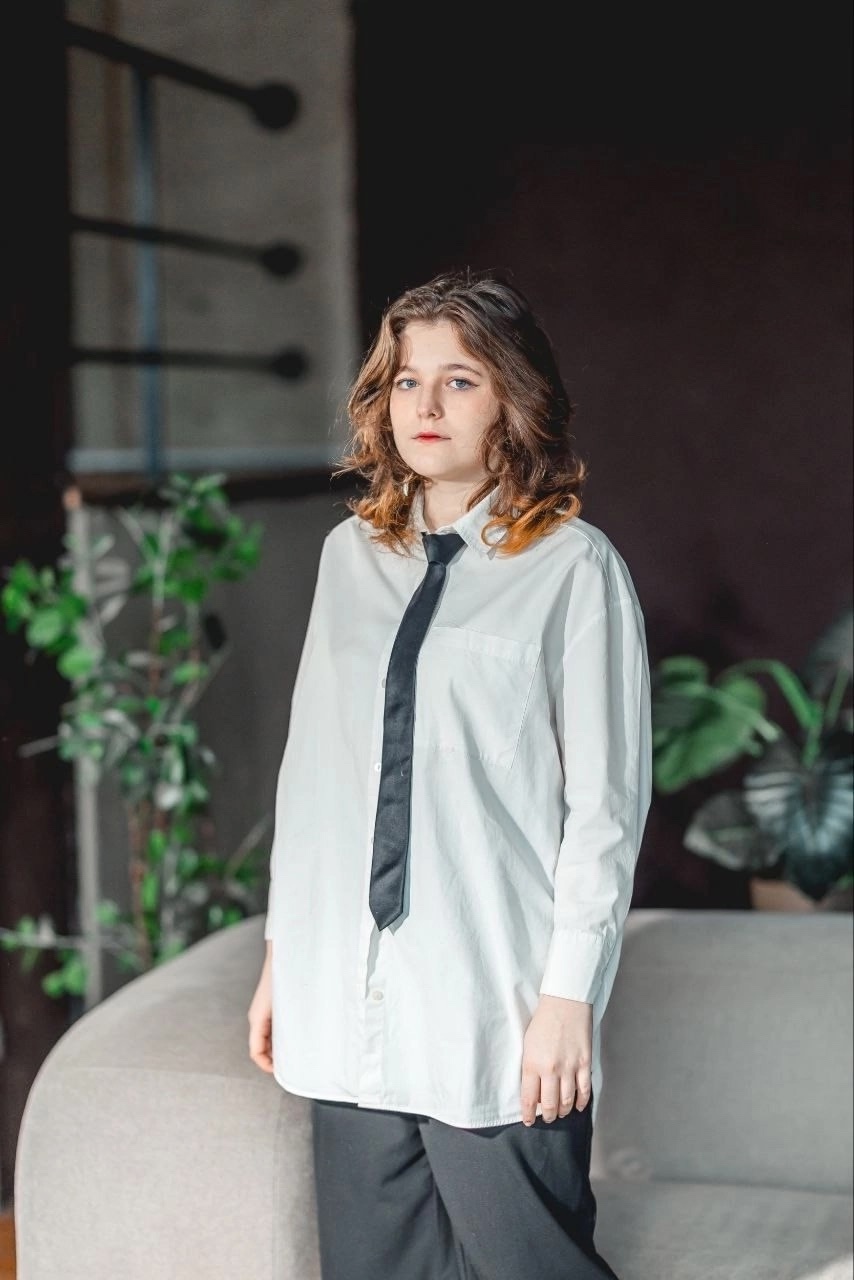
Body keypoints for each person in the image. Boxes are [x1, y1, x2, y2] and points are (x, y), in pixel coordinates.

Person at [248, 269, 652, 1280]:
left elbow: (604, 811)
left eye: (459, 380)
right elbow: (314, 779)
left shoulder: (573, 568)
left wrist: (568, 999)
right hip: (345, 992)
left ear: (513, 397)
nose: (425, 404)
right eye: (406, 380)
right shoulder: (348, 556)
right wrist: (282, 955)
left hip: (491, 1000)